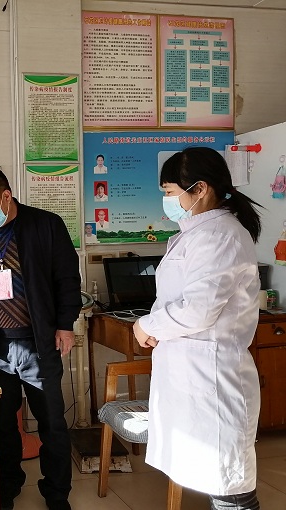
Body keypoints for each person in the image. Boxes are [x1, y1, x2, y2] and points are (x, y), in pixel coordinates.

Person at [133, 147, 263, 510]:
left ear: (200, 188)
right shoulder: (199, 231)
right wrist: (155, 326)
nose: (166, 201)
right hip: (193, 376)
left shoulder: (220, 235)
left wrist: (146, 325)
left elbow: (198, 309)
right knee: (216, 481)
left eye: (170, 192)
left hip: (213, 380)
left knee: (230, 491)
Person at [0, 166, 81, 510]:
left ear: (6, 196)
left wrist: (65, 324)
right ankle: (8, 486)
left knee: (52, 423)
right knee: (2, 424)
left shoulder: (46, 225)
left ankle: (56, 493)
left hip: (38, 343)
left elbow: (67, 278)